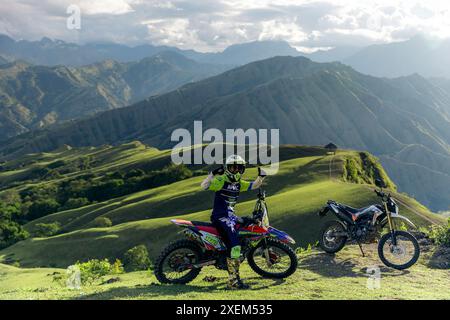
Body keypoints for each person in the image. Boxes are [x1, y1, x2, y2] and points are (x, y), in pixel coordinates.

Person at [200, 155, 266, 289]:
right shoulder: (221, 180)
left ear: (242, 170)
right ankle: (233, 282)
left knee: (248, 222)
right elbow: (204, 186)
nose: (235, 171)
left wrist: (262, 176)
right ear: (227, 168)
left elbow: (254, 185)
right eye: (232, 167)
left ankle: (230, 255)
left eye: (239, 168)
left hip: (230, 216)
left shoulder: (239, 183)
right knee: (235, 245)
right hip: (220, 216)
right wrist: (212, 174)